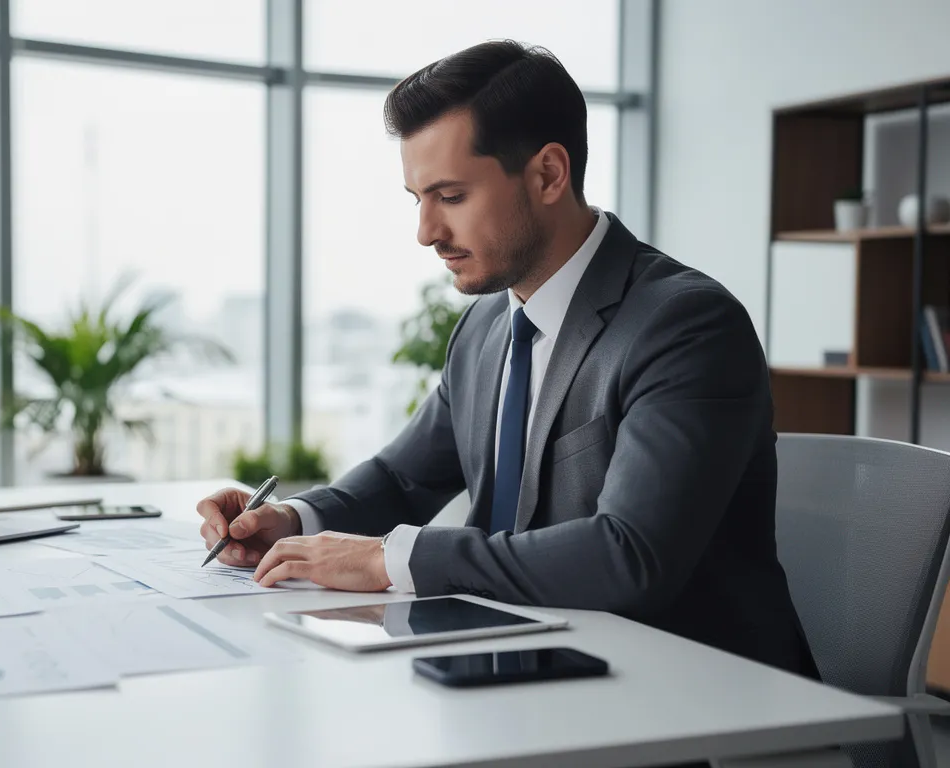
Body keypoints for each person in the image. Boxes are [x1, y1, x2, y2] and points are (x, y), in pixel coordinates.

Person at [197, 40, 816, 676]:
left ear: (549, 173)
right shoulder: (488, 325)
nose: (426, 232)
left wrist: (387, 560)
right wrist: (292, 519)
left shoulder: (684, 323)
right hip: (526, 670)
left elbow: (629, 556)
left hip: (692, 692)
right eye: (419, 199)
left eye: (452, 196)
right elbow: (403, 478)